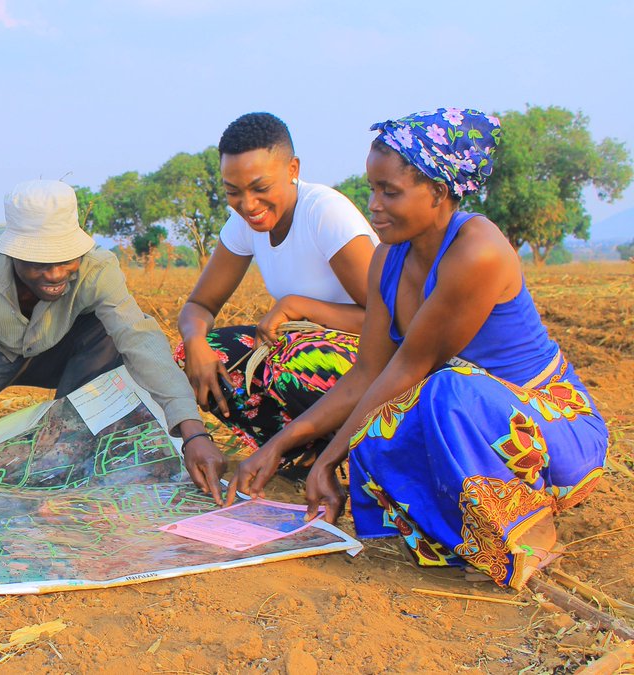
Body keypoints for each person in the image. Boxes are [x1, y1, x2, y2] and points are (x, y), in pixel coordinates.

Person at [234, 108, 609, 589]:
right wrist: (278, 445)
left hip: (552, 428)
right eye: (371, 189)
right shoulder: (388, 258)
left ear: (439, 192)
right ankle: (459, 532)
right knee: (386, 420)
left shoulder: (478, 250)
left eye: (390, 192)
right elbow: (368, 373)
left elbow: (411, 367)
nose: (373, 206)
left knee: (440, 391)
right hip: (468, 419)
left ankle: (529, 527)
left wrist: (328, 458)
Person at [0, 179, 230, 501]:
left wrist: (192, 431)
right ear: (10, 251)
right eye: (38, 262)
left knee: (111, 337)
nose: (54, 274)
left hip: (63, 349)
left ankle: (70, 442)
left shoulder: (98, 267)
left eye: (65, 259)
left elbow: (141, 340)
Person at [177, 113, 378, 476]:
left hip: (374, 365)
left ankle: (354, 457)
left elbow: (391, 323)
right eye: (233, 192)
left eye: (260, 187)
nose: (248, 204)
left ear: (292, 168)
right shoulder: (244, 224)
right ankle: (295, 460)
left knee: (291, 361)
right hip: (309, 349)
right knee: (200, 356)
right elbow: (200, 305)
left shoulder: (324, 213)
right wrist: (194, 341)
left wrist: (298, 307)